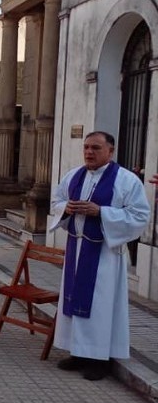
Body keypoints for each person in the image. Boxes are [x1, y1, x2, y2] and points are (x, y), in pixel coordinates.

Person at [49, 131, 150, 381]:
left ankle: (100, 359)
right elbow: (56, 202)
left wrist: (101, 212)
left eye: (95, 147)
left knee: (101, 307)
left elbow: (139, 216)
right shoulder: (73, 175)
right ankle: (78, 353)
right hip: (77, 250)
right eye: (86, 147)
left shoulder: (127, 181)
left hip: (104, 254)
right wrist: (66, 208)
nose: (89, 152)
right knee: (75, 303)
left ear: (110, 151)